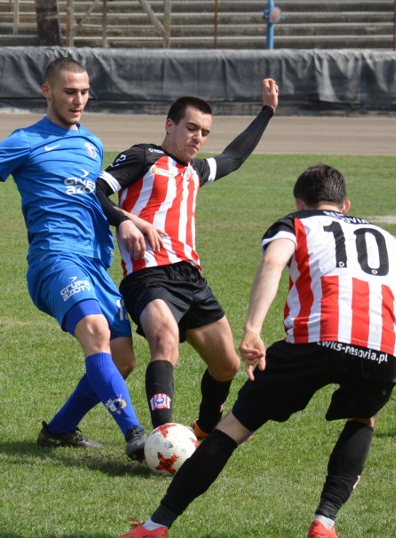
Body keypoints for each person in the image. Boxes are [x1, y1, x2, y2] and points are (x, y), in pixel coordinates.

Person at [103, 163, 396, 538]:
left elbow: (272, 263)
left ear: (300, 203)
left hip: (315, 341)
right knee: (363, 419)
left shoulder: (295, 224)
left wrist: (252, 329)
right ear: (345, 205)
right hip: (380, 351)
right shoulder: (387, 239)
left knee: (232, 429)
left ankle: (155, 527)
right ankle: (324, 523)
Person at [0, 57, 148, 460]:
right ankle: (135, 435)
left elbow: (95, 199)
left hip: (95, 262)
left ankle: (59, 430)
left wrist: (124, 220)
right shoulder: (25, 140)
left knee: (121, 362)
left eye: (85, 92)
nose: (79, 100)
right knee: (95, 331)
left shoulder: (92, 144)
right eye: (70, 92)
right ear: (47, 91)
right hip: (55, 259)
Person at [95, 79, 279, 439]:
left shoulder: (195, 172)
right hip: (148, 274)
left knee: (227, 366)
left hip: (192, 279)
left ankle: (205, 427)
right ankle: (164, 436)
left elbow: (234, 157)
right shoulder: (143, 156)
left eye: (204, 133)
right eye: (191, 128)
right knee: (164, 339)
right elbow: (96, 190)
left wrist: (267, 111)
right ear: (170, 125)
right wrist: (126, 221)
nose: (197, 138)